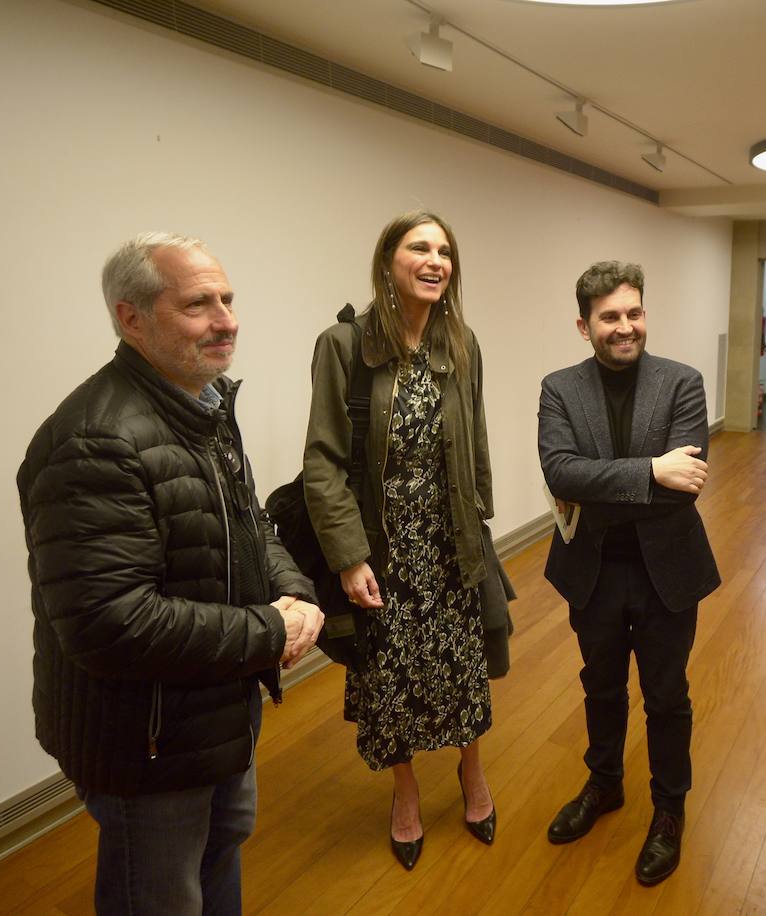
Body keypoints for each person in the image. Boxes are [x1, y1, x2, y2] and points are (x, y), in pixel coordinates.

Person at [17, 232, 323, 915]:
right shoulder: (95, 439)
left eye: (228, 299)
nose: (227, 319)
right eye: (199, 304)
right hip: (146, 744)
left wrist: (294, 593)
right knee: (160, 894)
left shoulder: (202, 408)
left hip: (211, 716)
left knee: (218, 858)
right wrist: (270, 630)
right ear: (132, 318)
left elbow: (248, 527)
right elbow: (110, 623)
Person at [302, 210, 502, 870]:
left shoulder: (462, 343)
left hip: (452, 548)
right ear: (389, 259)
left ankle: (472, 774)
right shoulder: (345, 346)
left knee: (463, 673)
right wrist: (348, 555)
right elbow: (323, 461)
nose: (434, 259)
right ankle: (406, 794)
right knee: (391, 681)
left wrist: (484, 520)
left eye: (444, 249)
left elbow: (474, 440)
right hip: (383, 554)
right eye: (419, 247)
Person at [537, 260, 720, 886]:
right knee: (601, 685)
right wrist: (649, 471)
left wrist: (611, 485)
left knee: (667, 696)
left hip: (667, 572)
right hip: (593, 572)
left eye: (634, 313)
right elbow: (560, 471)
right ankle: (605, 784)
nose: (626, 327)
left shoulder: (682, 382)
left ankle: (669, 809)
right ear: (584, 326)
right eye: (610, 317)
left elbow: (685, 486)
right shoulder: (560, 388)